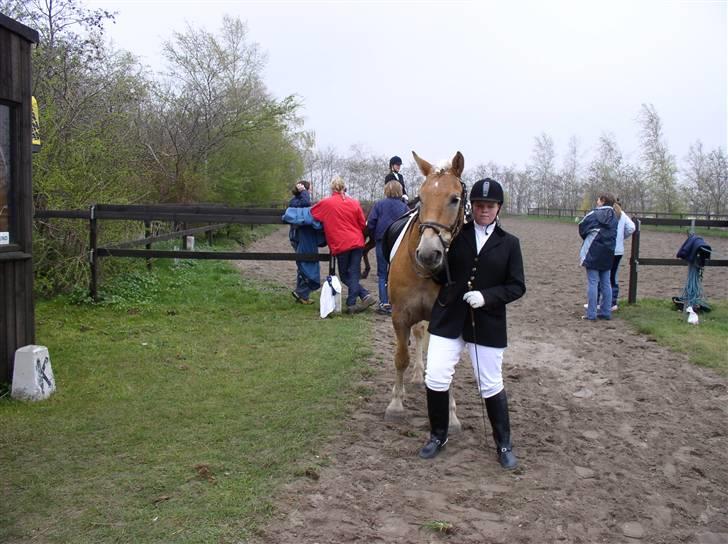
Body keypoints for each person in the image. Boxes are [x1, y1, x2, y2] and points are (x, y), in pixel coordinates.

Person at [419, 178, 526, 470]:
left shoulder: (510, 244)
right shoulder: (456, 237)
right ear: (472, 206)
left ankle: (503, 444)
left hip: (487, 321)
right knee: (436, 376)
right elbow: (441, 276)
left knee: (490, 384)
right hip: (449, 317)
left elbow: (517, 287)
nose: (484, 210)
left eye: (489, 206)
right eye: (479, 205)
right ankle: (438, 436)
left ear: (498, 208)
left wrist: (487, 296)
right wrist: (434, 265)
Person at [311, 176, 377, 314]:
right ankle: (360, 298)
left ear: (332, 188)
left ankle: (355, 301)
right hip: (357, 241)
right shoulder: (354, 203)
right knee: (353, 273)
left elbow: (313, 213)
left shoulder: (326, 203)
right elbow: (361, 223)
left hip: (340, 243)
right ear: (344, 188)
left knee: (344, 275)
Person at [366, 180, 409, 315]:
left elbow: (371, 222)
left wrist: (375, 235)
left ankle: (384, 303)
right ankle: (396, 302)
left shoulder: (379, 205)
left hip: (382, 241)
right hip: (399, 243)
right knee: (396, 273)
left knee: (382, 273)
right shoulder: (404, 207)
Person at [578, 193, 618, 321]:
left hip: (593, 251)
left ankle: (591, 314)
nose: (597, 201)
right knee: (606, 282)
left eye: (598, 199)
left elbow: (582, 226)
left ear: (602, 201)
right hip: (608, 252)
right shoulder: (615, 216)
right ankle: (606, 312)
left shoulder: (594, 214)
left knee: (593, 282)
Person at [287, 180, 320, 305]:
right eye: (309, 189)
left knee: (304, 263)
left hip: (298, 236)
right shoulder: (297, 200)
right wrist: (304, 192)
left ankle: (302, 294)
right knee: (305, 263)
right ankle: (301, 292)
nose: (310, 192)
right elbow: (306, 203)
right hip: (300, 236)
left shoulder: (296, 200)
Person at [610, 200, 635, 311]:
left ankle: (604, 302)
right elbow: (632, 228)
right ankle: (613, 302)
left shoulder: (609, 213)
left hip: (609, 249)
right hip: (619, 250)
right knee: (614, 277)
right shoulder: (623, 215)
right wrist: (622, 237)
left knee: (604, 276)